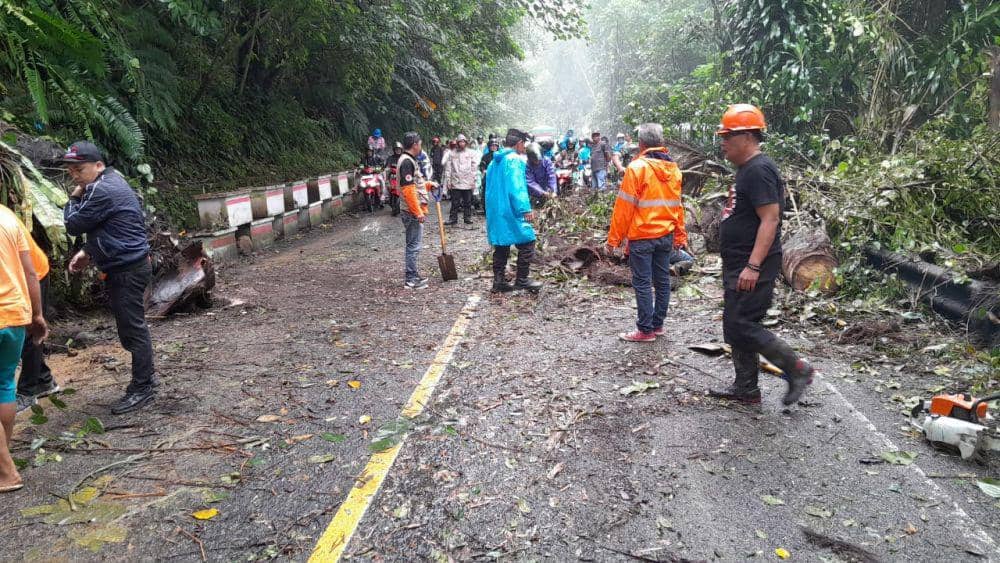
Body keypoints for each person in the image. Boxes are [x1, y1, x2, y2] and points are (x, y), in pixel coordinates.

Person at [708, 104, 815, 406]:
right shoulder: (747, 170)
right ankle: (746, 388)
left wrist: (753, 266)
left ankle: (798, 369)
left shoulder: (759, 170)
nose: (723, 142)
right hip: (739, 263)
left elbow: (770, 219)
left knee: (743, 324)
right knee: (734, 324)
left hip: (753, 265)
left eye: (728, 136)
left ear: (747, 136)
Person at [61, 141, 158, 415]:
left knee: (133, 330)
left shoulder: (101, 189)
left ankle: (143, 388)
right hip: (128, 265)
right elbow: (112, 226)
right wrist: (88, 251)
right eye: (72, 172)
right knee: (131, 328)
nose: (76, 176)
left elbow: (72, 224)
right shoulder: (110, 182)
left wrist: (73, 197)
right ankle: (145, 380)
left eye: (80, 170)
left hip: (128, 269)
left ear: (99, 165)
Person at [605, 123, 687, 342]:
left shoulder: (637, 168)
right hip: (665, 236)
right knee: (661, 281)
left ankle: (645, 330)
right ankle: (657, 325)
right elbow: (677, 206)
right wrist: (680, 235)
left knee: (642, 283)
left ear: (641, 143)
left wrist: (613, 240)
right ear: (661, 143)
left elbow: (624, 208)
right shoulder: (674, 169)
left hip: (642, 237)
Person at [0, 204, 48, 493]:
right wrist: (37, 315)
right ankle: (3, 456)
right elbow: (31, 273)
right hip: (15, 316)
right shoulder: (6, 216)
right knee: (4, 384)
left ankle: (6, 473)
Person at [485, 129, 541, 293]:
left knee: (501, 245)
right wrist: (525, 208)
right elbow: (517, 187)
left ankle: (499, 282)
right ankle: (522, 280)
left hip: (496, 210)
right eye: (524, 144)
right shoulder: (514, 160)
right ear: (519, 143)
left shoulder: (493, 162)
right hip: (510, 209)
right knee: (528, 241)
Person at [14, 234, 57, 413]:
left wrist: (36, 314)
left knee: (30, 328)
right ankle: (43, 379)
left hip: (31, 274)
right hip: (19, 273)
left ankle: (27, 392)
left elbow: (29, 271)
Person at [397, 132, 430, 290]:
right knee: (413, 245)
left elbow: (415, 185)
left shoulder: (408, 160)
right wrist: (418, 212)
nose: (420, 146)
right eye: (420, 143)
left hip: (411, 209)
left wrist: (429, 185)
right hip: (411, 211)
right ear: (415, 144)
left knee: (413, 244)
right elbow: (408, 190)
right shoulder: (407, 162)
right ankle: (411, 279)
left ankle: (414, 275)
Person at [443, 134, 477, 225]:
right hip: (456, 181)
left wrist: (474, 180)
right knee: (455, 202)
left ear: (466, 143)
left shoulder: (470, 153)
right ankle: (453, 218)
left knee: (468, 202)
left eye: (463, 142)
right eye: (460, 142)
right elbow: (448, 168)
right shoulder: (452, 153)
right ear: (457, 143)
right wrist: (448, 181)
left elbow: (474, 167)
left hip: (467, 181)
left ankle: (467, 218)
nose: (462, 143)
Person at [478, 138, 499, 212]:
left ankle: (497, 209)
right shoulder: (485, 156)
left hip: (498, 179)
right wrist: (484, 170)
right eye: (492, 146)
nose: (494, 147)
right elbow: (481, 166)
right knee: (486, 194)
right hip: (488, 178)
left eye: (495, 146)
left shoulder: (500, 156)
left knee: (497, 194)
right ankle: (486, 209)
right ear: (489, 147)